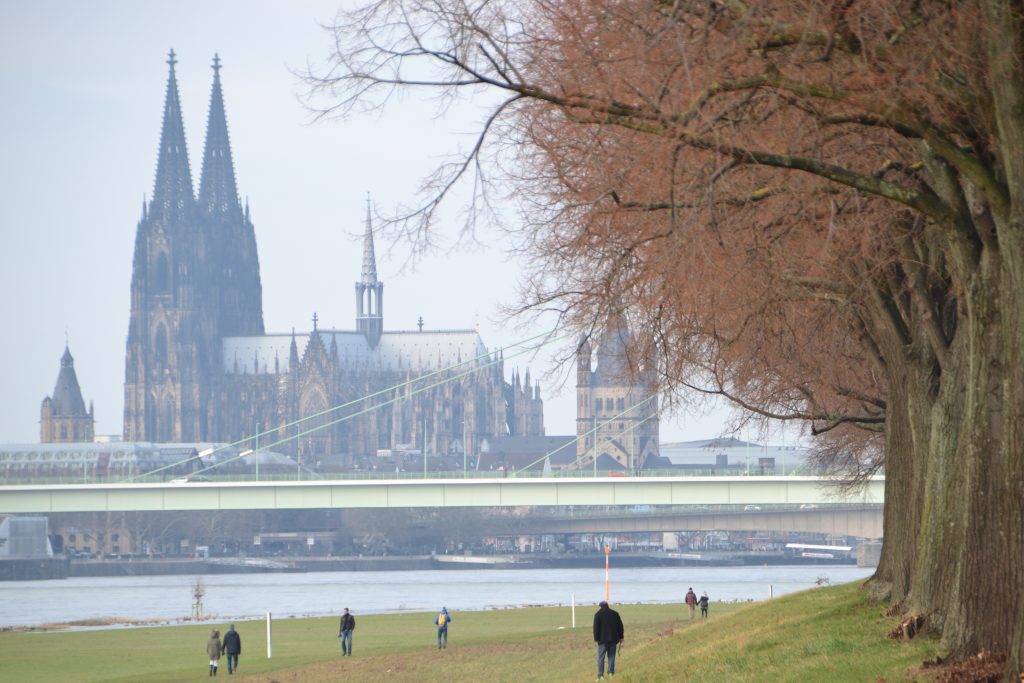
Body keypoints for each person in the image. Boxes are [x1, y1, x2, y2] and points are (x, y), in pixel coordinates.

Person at [593, 600, 624, 680]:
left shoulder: (598, 614)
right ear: (607, 605)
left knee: (601, 657)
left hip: (602, 641)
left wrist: (596, 639)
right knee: (611, 656)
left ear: (600, 606)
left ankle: (600, 676)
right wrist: (621, 637)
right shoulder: (615, 614)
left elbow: (595, 628)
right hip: (613, 640)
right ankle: (611, 673)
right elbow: (620, 626)